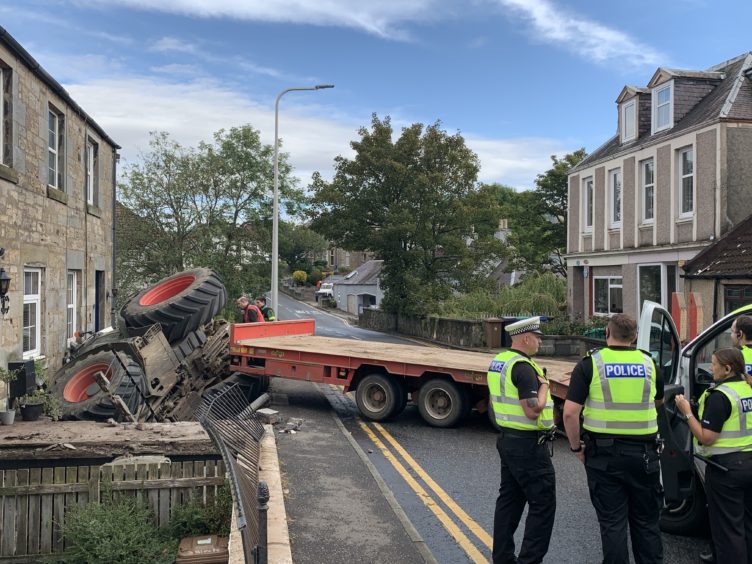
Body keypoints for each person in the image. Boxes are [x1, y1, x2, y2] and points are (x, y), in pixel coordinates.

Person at [563, 313, 664, 564]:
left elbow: (570, 413)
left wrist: (576, 447)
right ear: (635, 337)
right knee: (647, 523)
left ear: (607, 333)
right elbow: (659, 401)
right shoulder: (650, 363)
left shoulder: (590, 365)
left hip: (605, 457)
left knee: (612, 524)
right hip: (645, 457)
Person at [487, 316, 556, 564]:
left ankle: (503, 558)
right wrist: (545, 385)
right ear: (526, 338)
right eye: (537, 337)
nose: (539, 342)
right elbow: (532, 409)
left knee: (509, 501)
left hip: (508, 440)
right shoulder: (525, 368)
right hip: (528, 446)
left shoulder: (500, 361)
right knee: (543, 504)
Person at [676, 347, 752, 564]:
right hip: (749, 464)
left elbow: (707, 437)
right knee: (748, 524)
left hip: (727, 470)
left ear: (727, 369)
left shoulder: (721, 396)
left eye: (714, 364)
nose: (711, 368)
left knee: (728, 530)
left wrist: (686, 411)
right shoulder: (748, 389)